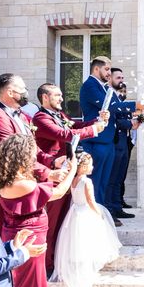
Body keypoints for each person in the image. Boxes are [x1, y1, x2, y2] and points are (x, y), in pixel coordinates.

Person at [0, 134, 76, 287]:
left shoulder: (7, 179)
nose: (33, 156)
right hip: (30, 238)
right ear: (21, 155)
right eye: (30, 153)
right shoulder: (23, 183)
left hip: (21, 234)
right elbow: (58, 193)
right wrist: (73, 171)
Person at [32, 83, 107, 274]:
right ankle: (47, 265)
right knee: (53, 220)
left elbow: (75, 125)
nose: (62, 98)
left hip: (67, 171)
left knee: (64, 218)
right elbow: (65, 134)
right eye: (57, 95)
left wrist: (96, 121)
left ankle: (59, 259)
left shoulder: (60, 115)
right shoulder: (40, 118)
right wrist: (94, 130)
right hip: (53, 174)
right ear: (45, 98)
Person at [79, 57, 144, 226]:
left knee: (104, 180)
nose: (109, 73)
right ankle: (95, 216)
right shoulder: (89, 86)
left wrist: (137, 112)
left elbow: (117, 107)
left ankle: (102, 213)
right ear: (97, 69)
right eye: (107, 70)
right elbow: (109, 106)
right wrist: (136, 105)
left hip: (108, 140)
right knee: (96, 181)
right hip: (96, 141)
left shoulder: (103, 87)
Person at [51, 153, 121, 287]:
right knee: (87, 242)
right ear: (83, 167)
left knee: (76, 242)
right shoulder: (86, 182)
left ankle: (78, 268)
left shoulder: (73, 180)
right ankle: (87, 269)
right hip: (84, 212)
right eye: (90, 164)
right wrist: (99, 213)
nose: (93, 167)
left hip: (74, 211)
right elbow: (91, 201)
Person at [107, 72, 135, 222]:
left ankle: (117, 207)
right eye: (118, 78)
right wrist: (130, 123)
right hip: (115, 140)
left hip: (124, 141)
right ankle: (110, 209)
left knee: (119, 177)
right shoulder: (109, 96)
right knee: (112, 177)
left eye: (123, 78)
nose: (122, 81)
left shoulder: (117, 97)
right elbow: (115, 119)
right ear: (110, 78)